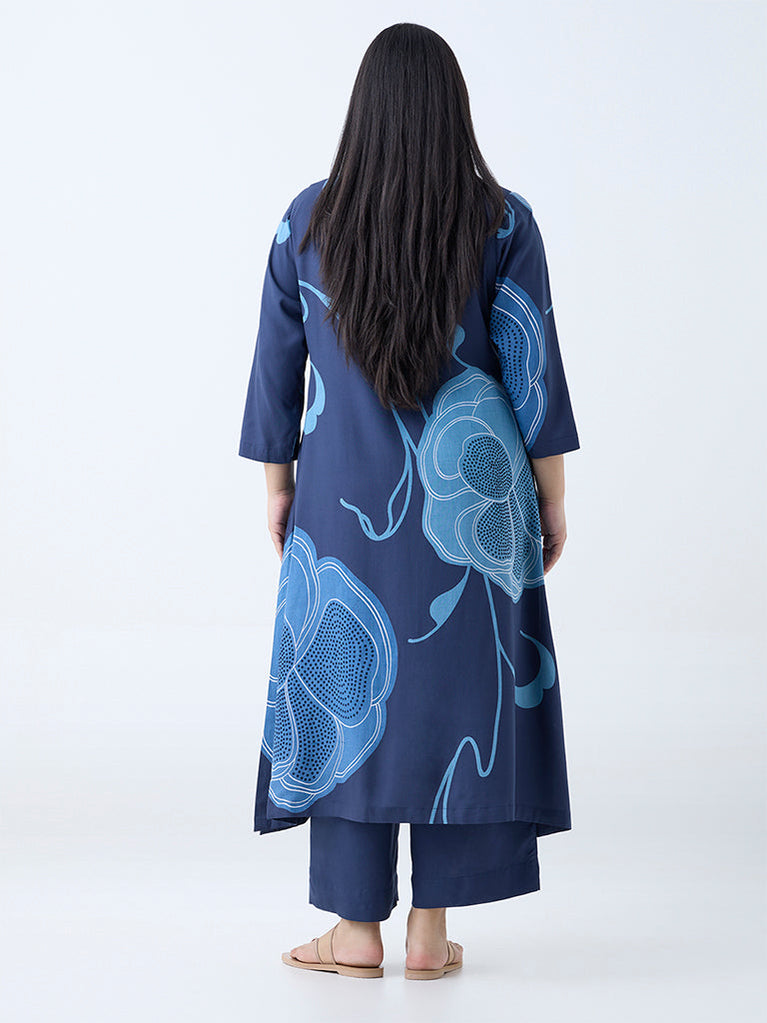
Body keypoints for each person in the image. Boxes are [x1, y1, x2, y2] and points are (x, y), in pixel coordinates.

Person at [238, 22, 580, 981]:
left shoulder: (306, 221)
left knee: (345, 694)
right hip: (477, 504)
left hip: (343, 500)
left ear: (365, 112)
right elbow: (532, 371)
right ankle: (429, 932)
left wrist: (278, 486)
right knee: (455, 696)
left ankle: (354, 931)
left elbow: (274, 372)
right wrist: (551, 500)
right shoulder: (502, 222)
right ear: (450, 111)